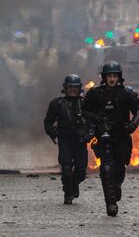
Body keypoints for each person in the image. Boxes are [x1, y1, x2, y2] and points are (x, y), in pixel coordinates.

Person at [83, 61, 139, 217]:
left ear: (119, 77)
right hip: (103, 136)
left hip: (122, 136)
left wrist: (133, 125)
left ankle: (117, 186)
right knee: (106, 169)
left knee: (119, 170)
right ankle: (111, 204)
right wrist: (97, 121)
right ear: (104, 77)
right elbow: (84, 111)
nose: (112, 79)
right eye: (109, 76)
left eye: (114, 76)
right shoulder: (95, 93)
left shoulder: (127, 93)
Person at [44, 74, 94, 204]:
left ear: (79, 88)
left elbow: (93, 122)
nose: (72, 90)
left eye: (75, 87)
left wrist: (90, 134)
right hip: (65, 139)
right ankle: (68, 192)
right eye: (70, 87)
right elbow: (48, 121)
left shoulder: (85, 104)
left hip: (80, 140)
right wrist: (51, 131)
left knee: (81, 171)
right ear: (65, 88)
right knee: (66, 168)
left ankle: (73, 184)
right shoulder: (57, 104)